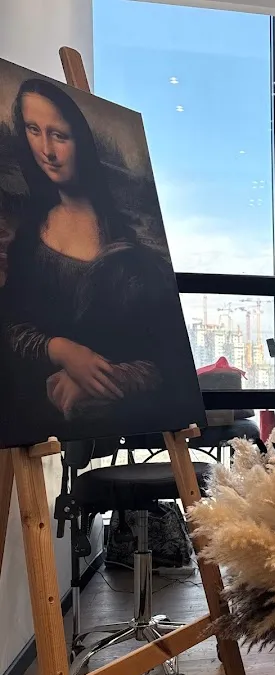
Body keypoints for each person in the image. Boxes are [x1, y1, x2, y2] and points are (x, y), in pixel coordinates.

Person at [0, 77, 192, 444]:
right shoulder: (27, 239)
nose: (46, 150)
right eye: (33, 130)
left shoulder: (134, 253)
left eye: (60, 135)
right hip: (36, 417)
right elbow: (10, 326)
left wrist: (100, 380)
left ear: (82, 141)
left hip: (125, 410)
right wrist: (62, 350)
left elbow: (164, 360)